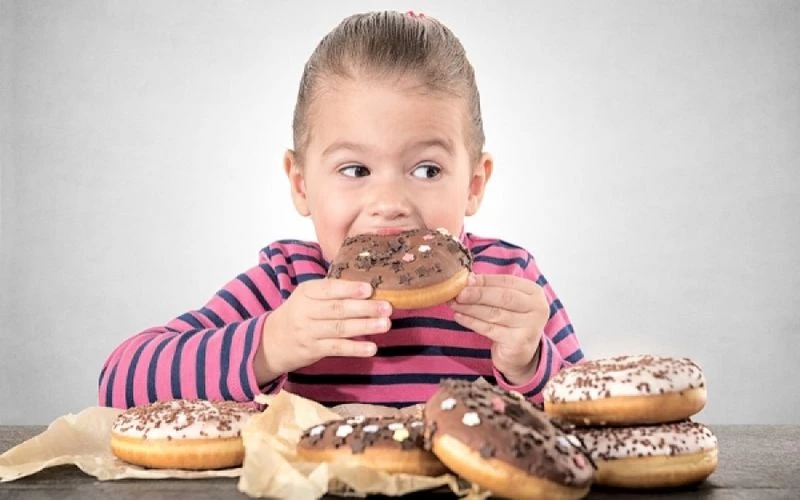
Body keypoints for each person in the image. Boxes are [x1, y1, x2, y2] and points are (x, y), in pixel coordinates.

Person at [98, 10, 584, 409]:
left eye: (427, 171)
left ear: (474, 184)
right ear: (301, 184)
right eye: (355, 170)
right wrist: (270, 345)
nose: (389, 205)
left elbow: (598, 418)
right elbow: (119, 383)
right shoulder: (288, 284)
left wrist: (529, 363)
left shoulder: (509, 282)